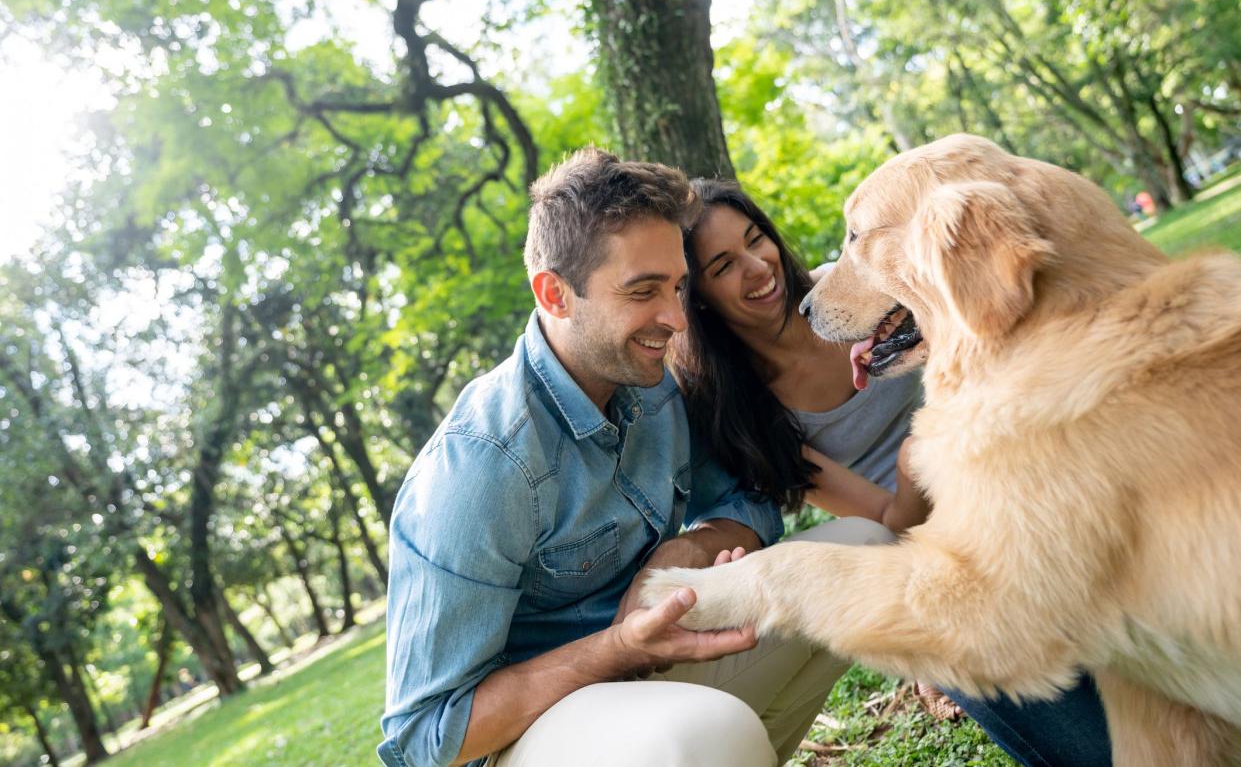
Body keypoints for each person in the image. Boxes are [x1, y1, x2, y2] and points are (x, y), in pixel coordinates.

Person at [379, 148, 895, 767]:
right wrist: (616, 648)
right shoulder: (482, 467)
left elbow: (749, 500)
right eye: (642, 291)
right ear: (555, 294)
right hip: (537, 729)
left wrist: (689, 549)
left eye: (679, 287)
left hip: (652, 668)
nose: (676, 320)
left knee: (861, 553)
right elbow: (423, 738)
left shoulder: (655, 386)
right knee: (707, 732)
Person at [667, 178, 1113, 767]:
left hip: (1017, 477)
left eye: (756, 240)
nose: (758, 267)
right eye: (725, 265)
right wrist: (917, 460)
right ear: (698, 297)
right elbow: (884, 520)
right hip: (928, 533)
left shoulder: (850, 289)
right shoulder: (747, 410)